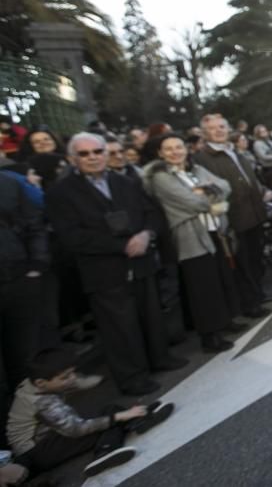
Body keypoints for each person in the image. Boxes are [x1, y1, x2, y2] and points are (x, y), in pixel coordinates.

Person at [46, 133, 186, 395]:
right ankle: (132, 377)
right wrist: (120, 246)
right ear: (72, 159)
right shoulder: (60, 193)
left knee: (151, 313)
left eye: (98, 151)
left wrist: (147, 235)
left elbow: (151, 213)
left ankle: (160, 358)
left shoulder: (125, 182)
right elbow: (71, 237)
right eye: (85, 154)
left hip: (142, 261)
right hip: (104, 272)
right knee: (119, 327)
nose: (93, 157)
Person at [7, 348, 173, 478]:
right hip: (37, 453)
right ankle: (105, 452)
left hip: (49, 437)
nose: (72, 379)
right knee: (107, 421)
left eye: (73, 372)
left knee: (110, 410)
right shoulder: (42, 402)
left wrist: (115, 415)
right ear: (41, 383)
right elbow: (76, 429)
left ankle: (138, 419)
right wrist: (118, 417)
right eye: (66, 377)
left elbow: (70, 399)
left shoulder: (35, 382)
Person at [144, 134, 241, 353]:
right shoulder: (160, 177)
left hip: (212, 231)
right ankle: (210, 336)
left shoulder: (195, 170)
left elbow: (224, 186)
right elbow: (191, 202)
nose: (175, 152)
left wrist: (205, 191)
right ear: (160, 153)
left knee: (219, 279)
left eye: (178, 147)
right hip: (190, 239)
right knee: (202, 288)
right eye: (168, 149)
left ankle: (225, 321)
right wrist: (208, 195)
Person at [193, 115, 272, 319]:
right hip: (234, 218)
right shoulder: (202, 158)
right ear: (205, 133)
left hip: (254, 214)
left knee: (256, 258)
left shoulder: (235, 151)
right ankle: (250, 304)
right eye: (213, 128)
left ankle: (258, 294)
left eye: (222, 126)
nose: (218, 131)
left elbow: (249, 177)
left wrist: (261, 191)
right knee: (242, 263)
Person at [0, 173, 48, 448]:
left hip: (19, 282)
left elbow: (34, 221)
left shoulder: (7, 182)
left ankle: (33, 434)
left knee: (24, 362)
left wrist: (37, 265)